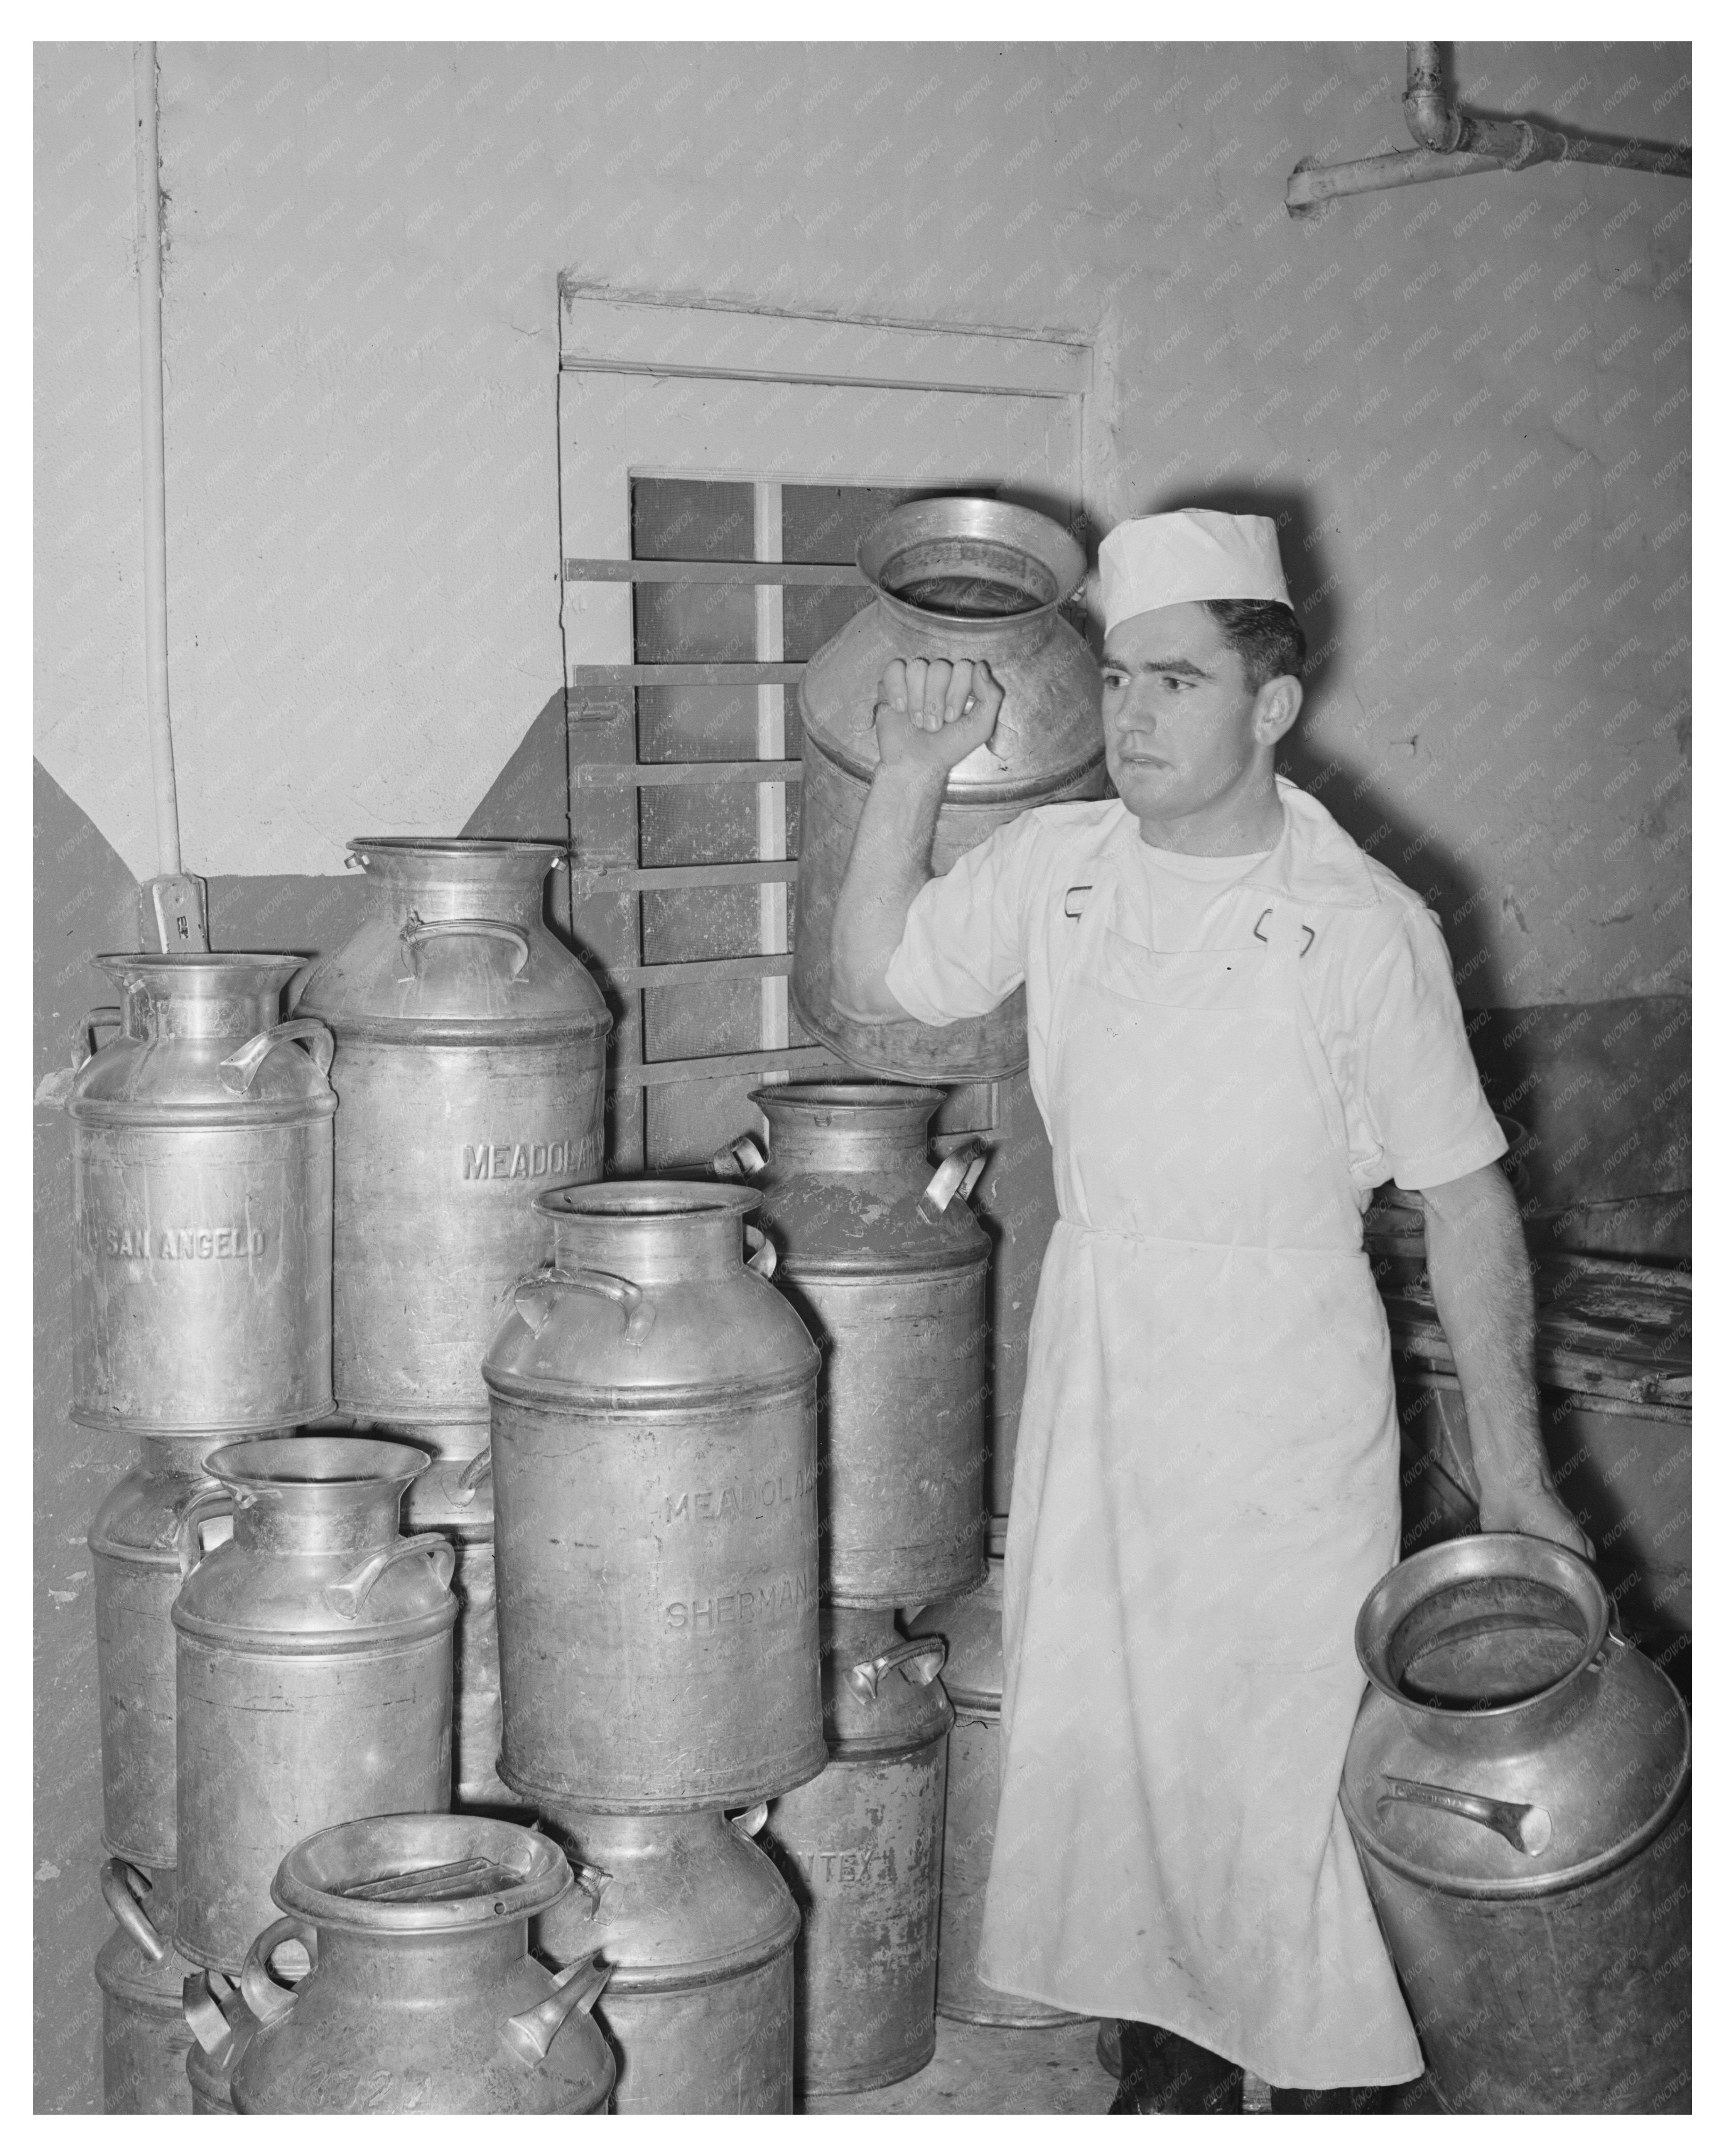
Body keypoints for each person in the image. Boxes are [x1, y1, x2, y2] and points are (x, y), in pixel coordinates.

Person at [829, 507, 1590, 2113]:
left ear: (1267, 709)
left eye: (1171, 683)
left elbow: (1464, 1203)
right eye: (1113, 680)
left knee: (1282, 1778)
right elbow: (880, 983)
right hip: (1101, 1379)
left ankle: (1331, 2092)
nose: (1127, 718)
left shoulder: (1361, 926)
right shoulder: (1057, 869)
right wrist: (906, 776)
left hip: (1278, 1405)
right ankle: (1163, 2085)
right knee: (1121, 1778)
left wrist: (1517, 1480)